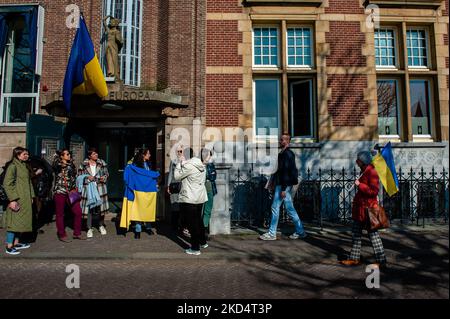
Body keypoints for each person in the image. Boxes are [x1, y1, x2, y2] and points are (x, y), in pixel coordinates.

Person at [340, 151, 387, 268]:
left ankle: (381, 261)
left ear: (363, 161)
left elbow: (373, 191)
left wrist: (359, 185)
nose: (356, 162)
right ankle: (354, 258)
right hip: (360, 209)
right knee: (356, 233)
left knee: (373, 236)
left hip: (368, 210)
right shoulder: (364, 171)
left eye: (358, 160)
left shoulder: (372, 172)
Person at [259, 133, 307, 241]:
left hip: (283, 185)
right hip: (283, 184)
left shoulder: (287, 154)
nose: (280, 142)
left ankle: (272, 233)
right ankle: (301, 231)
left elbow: (286, 172)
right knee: (290, 209)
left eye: (282, 140)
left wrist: (284, 189)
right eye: (280, 140)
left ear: (287, 141)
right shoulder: (284, 153)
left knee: (275, 208)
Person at [174, 148, 208, 255]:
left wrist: (180, 163)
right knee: (199, 221)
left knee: (192, 224)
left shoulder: (189, 166)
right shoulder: (201, 164)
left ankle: (195, 248)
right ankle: (203, 242)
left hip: (190, 198)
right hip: (200, 197)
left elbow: (177, 176)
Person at [120, 148, 160, 239]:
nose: (149, 155)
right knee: (138, 209)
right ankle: (138, 230)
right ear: (143, 155)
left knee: (148, 209)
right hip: (138, 191)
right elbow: (130, 176)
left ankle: (148, 227)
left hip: (147, 191)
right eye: (148, 153)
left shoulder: (149, 164)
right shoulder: (134, 165)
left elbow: (149, 176)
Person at [2, 147, 35, 255]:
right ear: (17, 155)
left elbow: (29, 183)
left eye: (27, 154)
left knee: (20, 223)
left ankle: (16, 243)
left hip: (25, 199)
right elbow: (7, 184)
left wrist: (32, 196)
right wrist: (12, 200)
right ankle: (9, 246)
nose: (27, 156)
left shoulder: (24, 166)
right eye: (25, 154)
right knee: (13, 223)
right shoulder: (13, 166)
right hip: (17, 199)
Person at [52, 149, 85, 242]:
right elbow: (54, 165)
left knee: (78, 212)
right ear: (62, 156)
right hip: (60, 192)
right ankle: (62, 234)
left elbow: (74, 178)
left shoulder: (71, 165)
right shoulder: (58, 165)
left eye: (69, 154)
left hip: (71, 192)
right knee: (60, 214)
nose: (69, 155)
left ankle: (77, 233)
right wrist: (59, 160)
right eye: (67, 154)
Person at [78, 147, 110, 239]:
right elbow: (79, 176)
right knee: (89, 209)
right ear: (89, 155)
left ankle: (101, 225)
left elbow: (106, 174)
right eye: (94, 154)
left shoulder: (101, 162)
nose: (96, 155)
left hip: (100, 188)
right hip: (88, 188)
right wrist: (87, 177)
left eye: (96, 153)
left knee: (101, 208)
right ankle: (89, 228)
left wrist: (103, 178)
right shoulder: (83, 164)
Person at [200, 148, 217, 236]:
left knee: (207, 210)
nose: (209, 156)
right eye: (208, 155)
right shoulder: (199, 164)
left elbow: (213, 177)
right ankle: (200, 229)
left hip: (209, 189)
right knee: (199, 210)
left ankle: (205, 229)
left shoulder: (210, 165)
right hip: (199, 191)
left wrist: (207, 177)